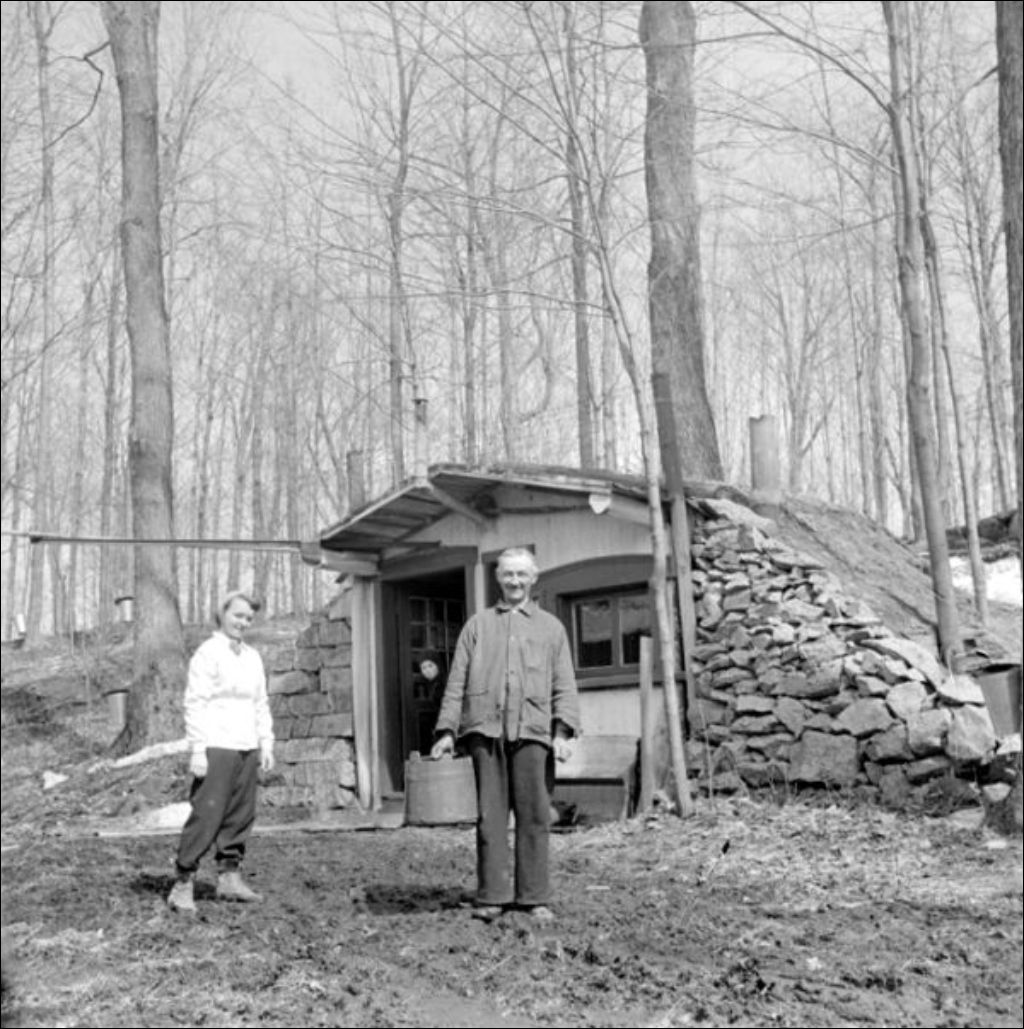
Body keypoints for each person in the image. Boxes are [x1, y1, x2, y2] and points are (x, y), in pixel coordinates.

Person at [430, 547, 580, 923]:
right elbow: (456, 682)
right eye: (508, 574)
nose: (515, 581)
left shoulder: (551, 628)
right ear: (498, 578)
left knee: (535, 816)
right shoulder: (477, 626)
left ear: (533, 578)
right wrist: (447, 731)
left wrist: (562, 733)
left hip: (533, 732)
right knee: (490, 817)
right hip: (486, 732)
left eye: (521, 574)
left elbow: (564, 684)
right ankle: (492, 895)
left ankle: (533, 896)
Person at [167, 590, 275, 913]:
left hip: (246, 745)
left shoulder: (252, 657)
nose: (243, 622)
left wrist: (266, 742)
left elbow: (260, 702)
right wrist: (198, 750)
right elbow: (195, 702)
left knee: (241, 814)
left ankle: (229, 878)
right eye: (237, 615)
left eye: (248, 618)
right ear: (222, 614)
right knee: (208, 813)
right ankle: (183, 882)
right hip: (217, 744)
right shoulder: (208, 653)